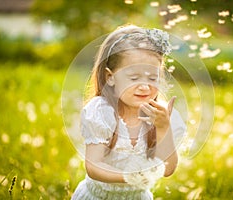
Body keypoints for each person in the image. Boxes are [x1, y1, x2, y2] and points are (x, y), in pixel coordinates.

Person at [72, 25, 187, 200]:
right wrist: (129, 177)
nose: (144, 86)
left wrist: (163, 127)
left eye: (153, 78)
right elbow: (93, 166)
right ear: (110, 77)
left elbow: (168, 169)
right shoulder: (102, 112)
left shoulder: (159, 115)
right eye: (134, 78)